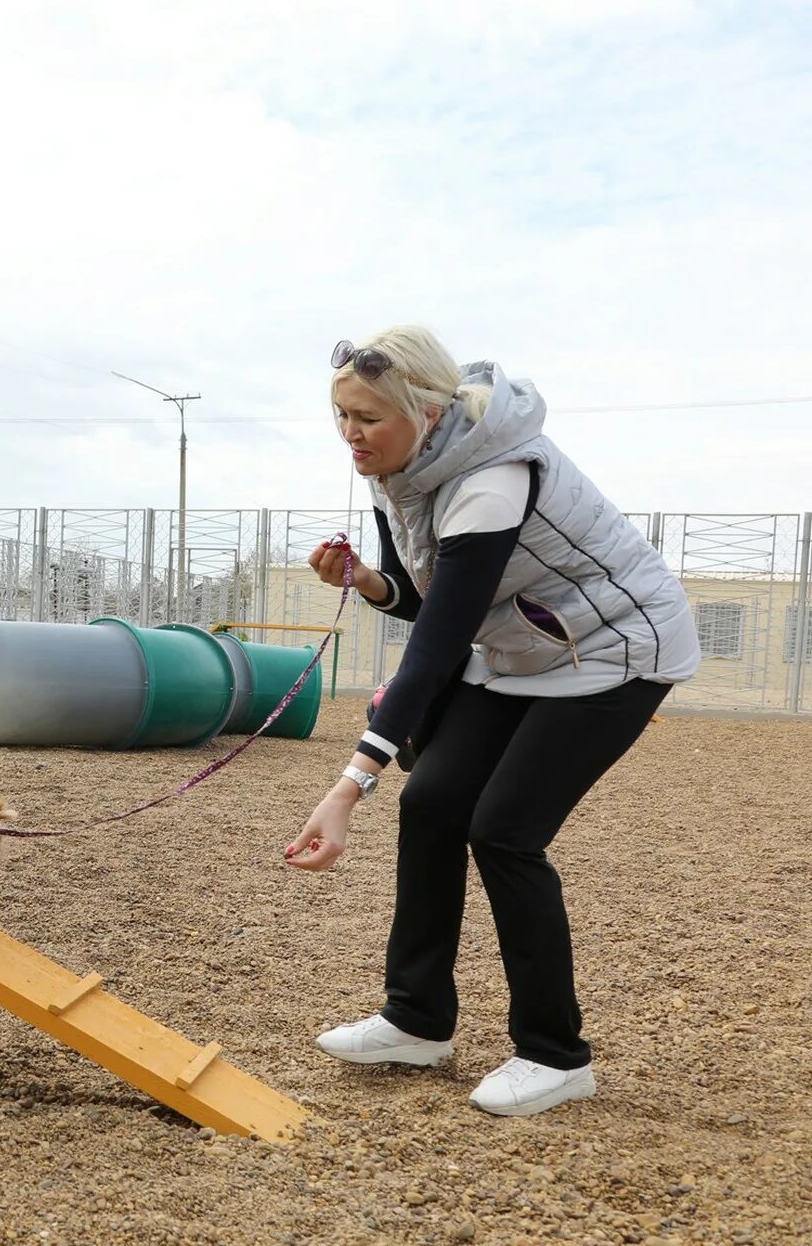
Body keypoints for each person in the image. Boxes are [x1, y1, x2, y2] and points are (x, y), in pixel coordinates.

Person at [288, 326, 699, 1117]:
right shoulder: (398, 473)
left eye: (368, 418)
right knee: (432, 802)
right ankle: (417, 1019)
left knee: (505, 829)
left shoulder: (492, 480)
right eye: (341, 415)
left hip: (617, 649)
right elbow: (426, 601)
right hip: (524, 651)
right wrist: (370, 581)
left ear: (428, 412)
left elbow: (439, 647)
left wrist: (347, 787)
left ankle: (554, 1054)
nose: (351, 435)